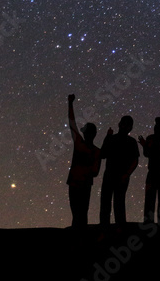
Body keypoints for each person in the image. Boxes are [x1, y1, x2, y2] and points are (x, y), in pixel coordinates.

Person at [66, 94, 101, 228]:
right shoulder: (95, 151)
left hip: (78, 182)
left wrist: (70, 104)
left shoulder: (81, 144)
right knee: (80, 212)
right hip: (81, 182)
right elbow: (95, 171)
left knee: (78, 212)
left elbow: (72, 123)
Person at [99, 115, 139, 225]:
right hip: (118, 176)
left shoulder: (115, 139)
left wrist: (127, 174)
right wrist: (127, 174)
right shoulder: (130, 141)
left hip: (115, 176)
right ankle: (117, 228)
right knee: (117, 203)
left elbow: (102, 154)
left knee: (111, 202)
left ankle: (107, 228)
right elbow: (135, 160)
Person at [138, 116, 160, 226]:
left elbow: (149, 153)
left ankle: (150, 223)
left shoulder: (153, 139)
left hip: (156, 172)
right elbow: (149, 153)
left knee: (154, 199)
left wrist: (145, 145)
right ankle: (159, 223)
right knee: (159, 200)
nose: (156, 127)